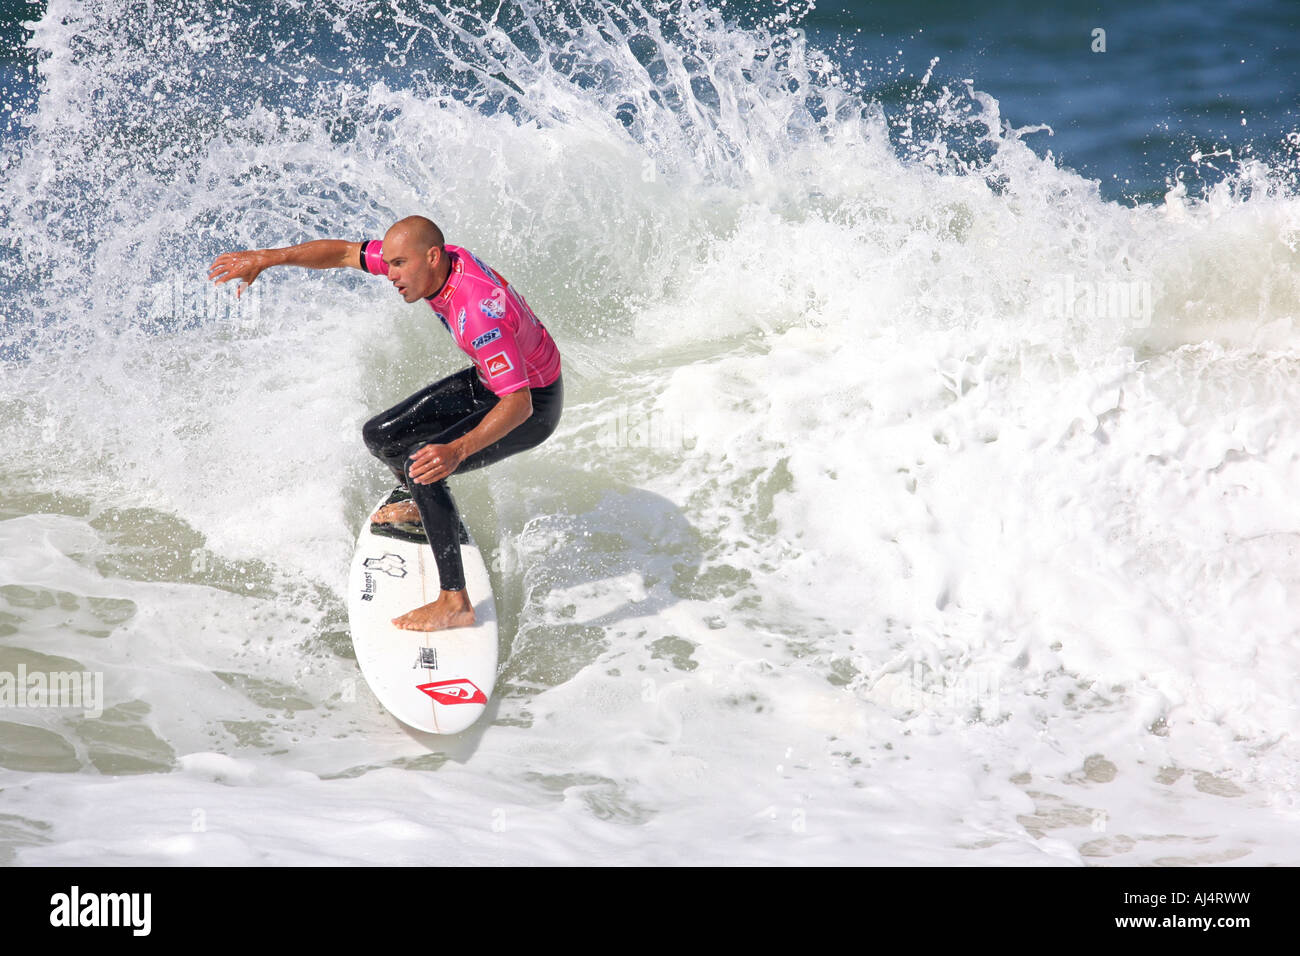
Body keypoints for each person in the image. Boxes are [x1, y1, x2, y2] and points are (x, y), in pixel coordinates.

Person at [208, 216, 563, 631]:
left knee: (423, 467)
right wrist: (268, 259)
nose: (391, 275)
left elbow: (518, 404)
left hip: (531, 404)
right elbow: (342, 253)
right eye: (389, 264)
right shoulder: (437, 264)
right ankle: (419, 506)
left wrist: (456, 450)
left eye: (399, 265)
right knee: (380, 436)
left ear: (431, 257)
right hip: (494, 381)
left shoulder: (478, 311)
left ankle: (456, 603)